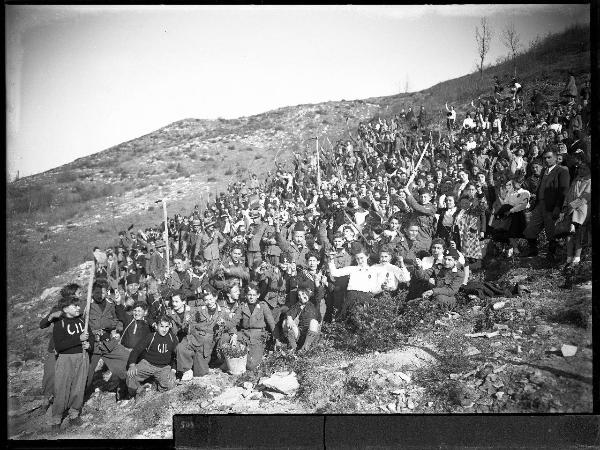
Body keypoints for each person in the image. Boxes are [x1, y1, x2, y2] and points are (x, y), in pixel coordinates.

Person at [48, 296, 94, 429]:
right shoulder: (59, 324)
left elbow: (90, 336)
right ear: (65, 309)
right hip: (65, 359)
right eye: (75, 306)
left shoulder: (82, 320)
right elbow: (60, 346)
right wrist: (78, 339)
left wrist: (89, 345)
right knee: (62, 388)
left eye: (79, 305)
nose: (79, 308)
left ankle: (74, 413)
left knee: (79, 387)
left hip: (82, 357)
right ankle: (56, 418)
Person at [522, 149, 570, 261]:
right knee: (531, 228)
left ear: (555, 157)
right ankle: (533, 250)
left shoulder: (561, 170)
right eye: (545, 158)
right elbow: (540, 187)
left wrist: (558, 208)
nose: (546, 160)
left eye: (549, 157)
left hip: (552, 205)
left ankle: (551, 253)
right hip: (540, 204)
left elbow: (564, 192)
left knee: (551, 230)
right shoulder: (544, 171)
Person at [177, 285, 228, 380]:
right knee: (181, 347)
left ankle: (197, 369)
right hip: (195, 337)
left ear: (216, 297)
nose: (209, 302)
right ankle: (186, 370)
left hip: (206, 345)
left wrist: (225, 326)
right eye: (206, 300)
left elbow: (230, 325)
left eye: (211, 299)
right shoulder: (199, 310)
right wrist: (187, 321)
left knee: (201, 374)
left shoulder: (223, 311)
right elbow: (189, 321)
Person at [126, 315, 177, 400]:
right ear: (156, 326)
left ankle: (156, 385)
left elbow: (176, 356)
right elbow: (136, 350)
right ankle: (137, 392)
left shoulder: (172, 338)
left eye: (166, 326)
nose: (164, 329)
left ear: (169, 326)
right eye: (161, 326)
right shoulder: (151, 337)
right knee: (130, 375)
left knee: (170, 384)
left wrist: (173, 370)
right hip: (148, 364)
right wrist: (132, 365)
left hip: (164, 367)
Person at [227, 282, 275, 370]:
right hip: (244, 335)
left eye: (254, 295)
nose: (251, 297)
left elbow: (271, 322)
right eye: (249, 295)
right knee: (230, 349)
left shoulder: (263, 306)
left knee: (251, 365)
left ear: (258, 295)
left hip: (258, 336)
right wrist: (233, 334)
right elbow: (233, 322)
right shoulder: (242, 306)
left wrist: (276, 338)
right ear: (246, 295)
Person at [560, 162, 591, 288]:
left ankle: (577, 257)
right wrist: (565, 206)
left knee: (578, 232)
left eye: (584, 168)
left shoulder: (589, 181)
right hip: (571, 209)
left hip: (581, 210)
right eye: (580, 168)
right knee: (569, 234)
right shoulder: (576, 179)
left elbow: (585, 198)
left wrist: (570, 207)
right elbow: (568, 194)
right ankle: (569, 257)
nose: (581, 170)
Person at [282, 287, 321, 353]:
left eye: (303, 294)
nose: (301, 296)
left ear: (308, 294)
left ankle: (305, 349)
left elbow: (319, 294)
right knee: (285, 322)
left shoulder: (314, 302)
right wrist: (289, 318)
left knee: (313, 322)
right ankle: (293, 348)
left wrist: (317, 283)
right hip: (301, 333)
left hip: (313, 333)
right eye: (299, 295)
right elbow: (290, 313)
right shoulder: (298, 305)